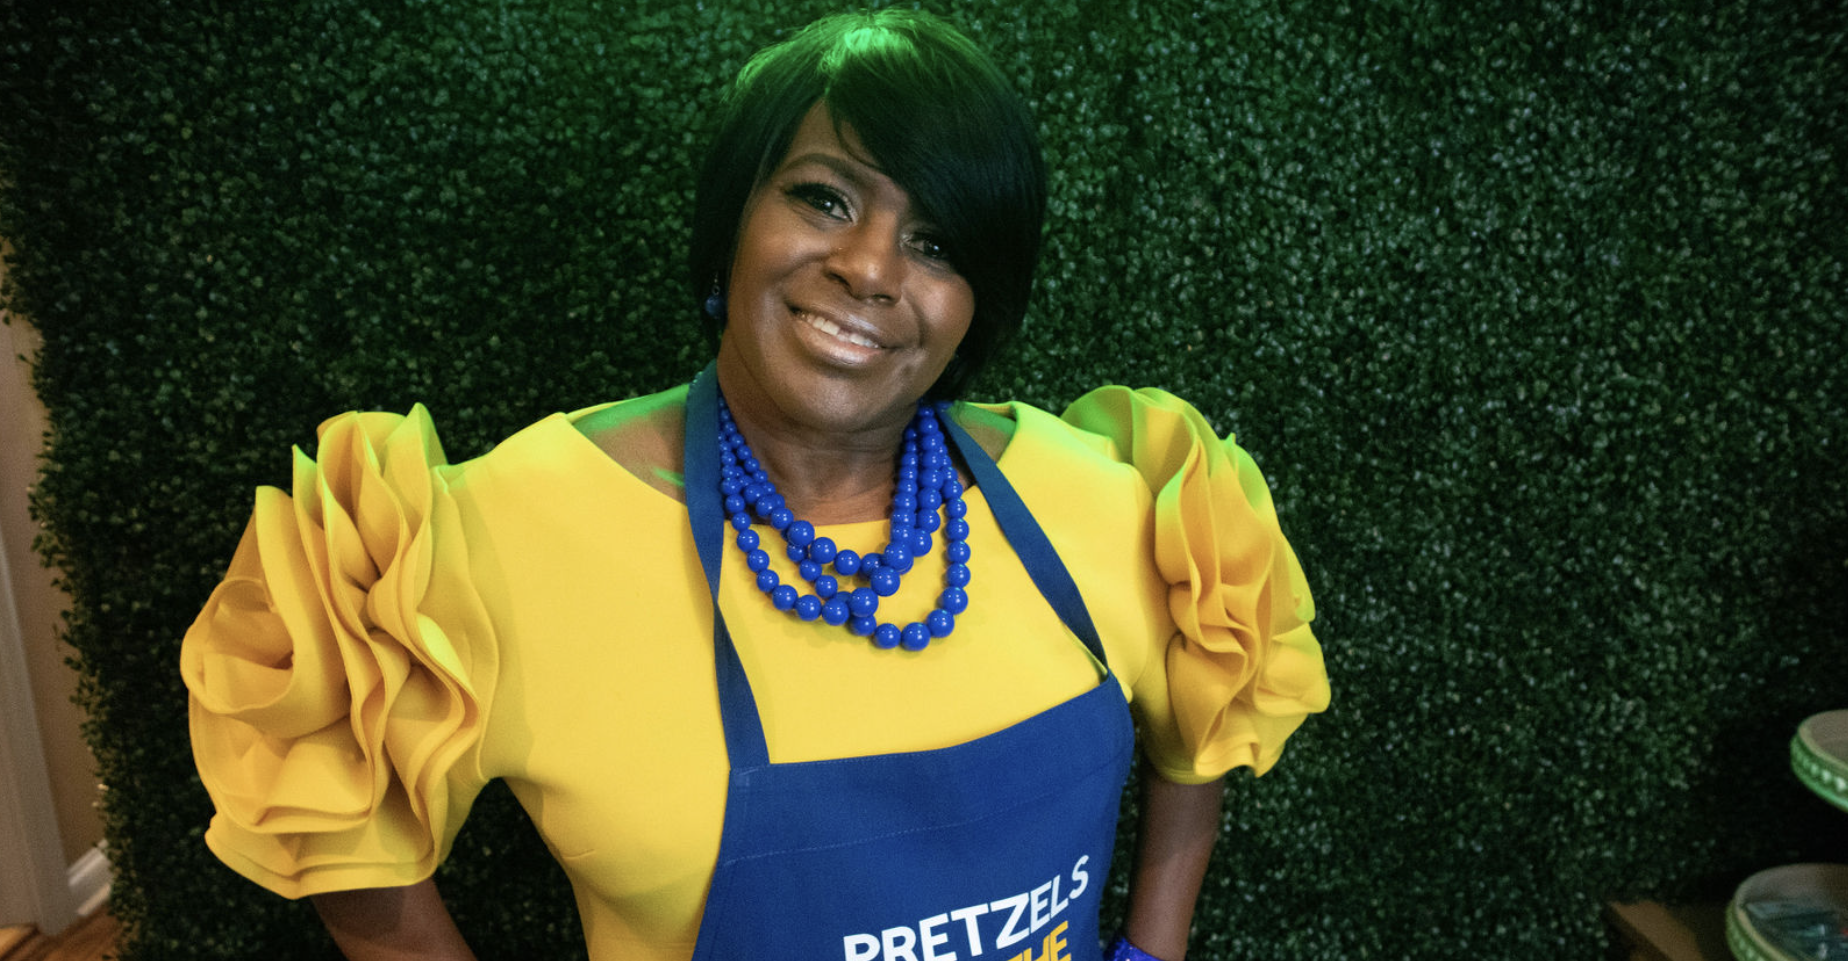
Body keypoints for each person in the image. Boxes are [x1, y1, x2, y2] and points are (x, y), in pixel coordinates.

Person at [180, 9, 1330, 961]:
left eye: (936, 243)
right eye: (825, 197)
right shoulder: (491, 540)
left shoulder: (1106, 500)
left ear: (978, 303)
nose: (870, 268)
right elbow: (340, 814)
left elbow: (1208, 717)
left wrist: (1153, 945)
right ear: (733, 214)